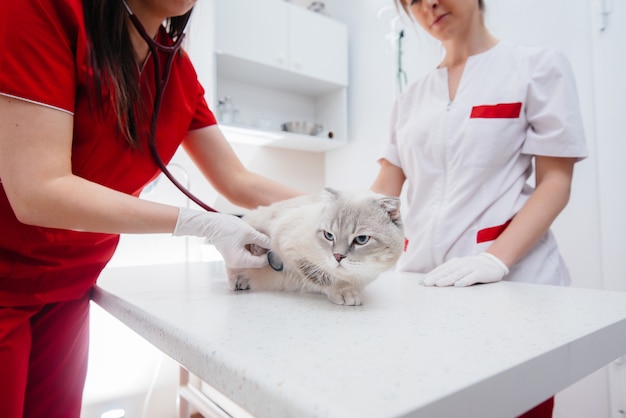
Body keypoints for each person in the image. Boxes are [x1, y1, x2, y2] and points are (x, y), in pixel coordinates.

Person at [0, 0, 300, 417]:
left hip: (72, 286)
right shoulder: (43, 10)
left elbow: (237, 180)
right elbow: (37, 190)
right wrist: (200, 224)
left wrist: (330, 209)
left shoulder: (175, 70)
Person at [370, 0, 588, 417]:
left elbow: (556, 182)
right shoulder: (410, 99)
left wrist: (494, 260)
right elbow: (384, 192)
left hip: (516, 293)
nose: (427, 4)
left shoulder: (536, 68)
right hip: (425, 293)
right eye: (411, 0)